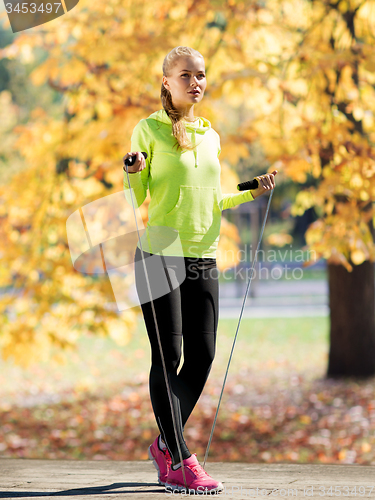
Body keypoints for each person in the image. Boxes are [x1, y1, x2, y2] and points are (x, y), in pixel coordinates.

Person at [122, 46, 277, 494]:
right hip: (159, 252)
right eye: (186, 75)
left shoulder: (211, 135)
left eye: (201, 75)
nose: (195, 82)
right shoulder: (147, 129)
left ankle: (163, 445)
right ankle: (182, 459)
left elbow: (211, 200)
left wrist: (250, 194)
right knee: (167, 359)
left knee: (203, 355)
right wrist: (134, 170)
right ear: (166, 82)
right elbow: (135, 197)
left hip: (202, 254)